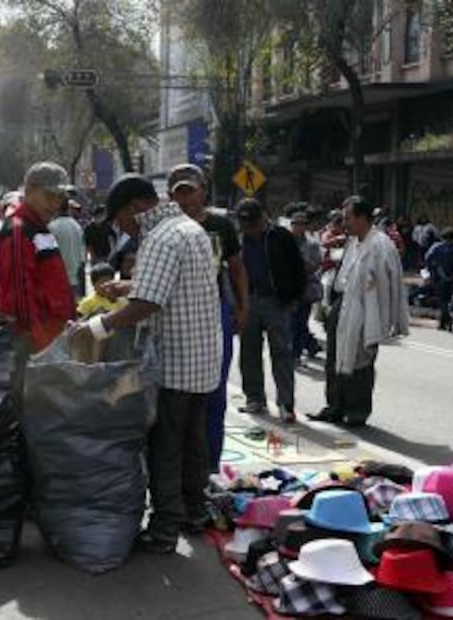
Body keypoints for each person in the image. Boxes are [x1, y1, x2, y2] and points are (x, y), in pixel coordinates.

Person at [71, 174, 222, 554]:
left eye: (121, 221)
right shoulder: (189, 228)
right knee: (193, 441)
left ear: (136, 208)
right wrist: (128, 286)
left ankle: (164, 529)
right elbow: (174, 285)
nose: (124, 230)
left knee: (165, 446)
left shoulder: (160, 238)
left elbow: (147, 304)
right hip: (202, 359)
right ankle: (194, 512)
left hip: (175, 362)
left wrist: (96, 328)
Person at [168, 163, 248, 474]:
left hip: (215, 314)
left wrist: (242, 308)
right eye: (179, 193)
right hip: (176, 317)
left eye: (191, 191)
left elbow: (237, 269)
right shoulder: (165, 228)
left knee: (215, 392)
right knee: (178, 395)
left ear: (203, 191)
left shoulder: (220, 225)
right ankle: (180, 464)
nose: (185, 199)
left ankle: (210, 464)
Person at [309, 196, 409, 428]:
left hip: (367, 311)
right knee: (335, 358)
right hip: (342, 305)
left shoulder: (381, 245)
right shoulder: (352, 243)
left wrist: (384, 319)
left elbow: (389, 285)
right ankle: (335, 406)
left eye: (348, 218)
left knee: (361, 363)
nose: (344, 223)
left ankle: (357, 411)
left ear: (363, 218)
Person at [236, 198, 306, 422]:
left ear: (263, 217)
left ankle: (285, 404)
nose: (250, 229)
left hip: (277, 302)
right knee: (249, 352)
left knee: (282, 353)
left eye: (253, 223)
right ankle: (254, 398)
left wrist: (294, 298)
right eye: (246, 224)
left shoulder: (281, 236)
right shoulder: (239, 239)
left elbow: (298, 268)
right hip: (249, 300)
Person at [0, 162, 75, 353]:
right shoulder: (18, 230)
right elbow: (20, 296)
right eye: (49, 196)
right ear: (29, 190)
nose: (55, 204)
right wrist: (40, 348)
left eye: (60, 198)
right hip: (38, 345)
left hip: (55, 337)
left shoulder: (40, 229)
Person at [290, 211, 323, 360]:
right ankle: (307, 346)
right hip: (288, 288)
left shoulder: (312, 244)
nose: (299, 227)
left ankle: (297, 352)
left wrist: (302, 263)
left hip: (305, 288)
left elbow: (316, 265)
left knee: (301, 321)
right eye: (296, 224)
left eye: (302, 224)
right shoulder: (285, 241)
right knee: (290, 322)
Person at [425, 227, 453, 331]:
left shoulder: (437, 247)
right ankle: (443, 323)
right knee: (448, 299)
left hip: (439, 277)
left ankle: (447, 320)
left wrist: (431, 272)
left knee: (442, 300)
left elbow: (428, 259)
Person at [48, 198, 87, 299]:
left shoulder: (52, 227)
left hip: (58, 278)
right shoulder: (77, 226)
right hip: (74, 277)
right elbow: (83, 254)